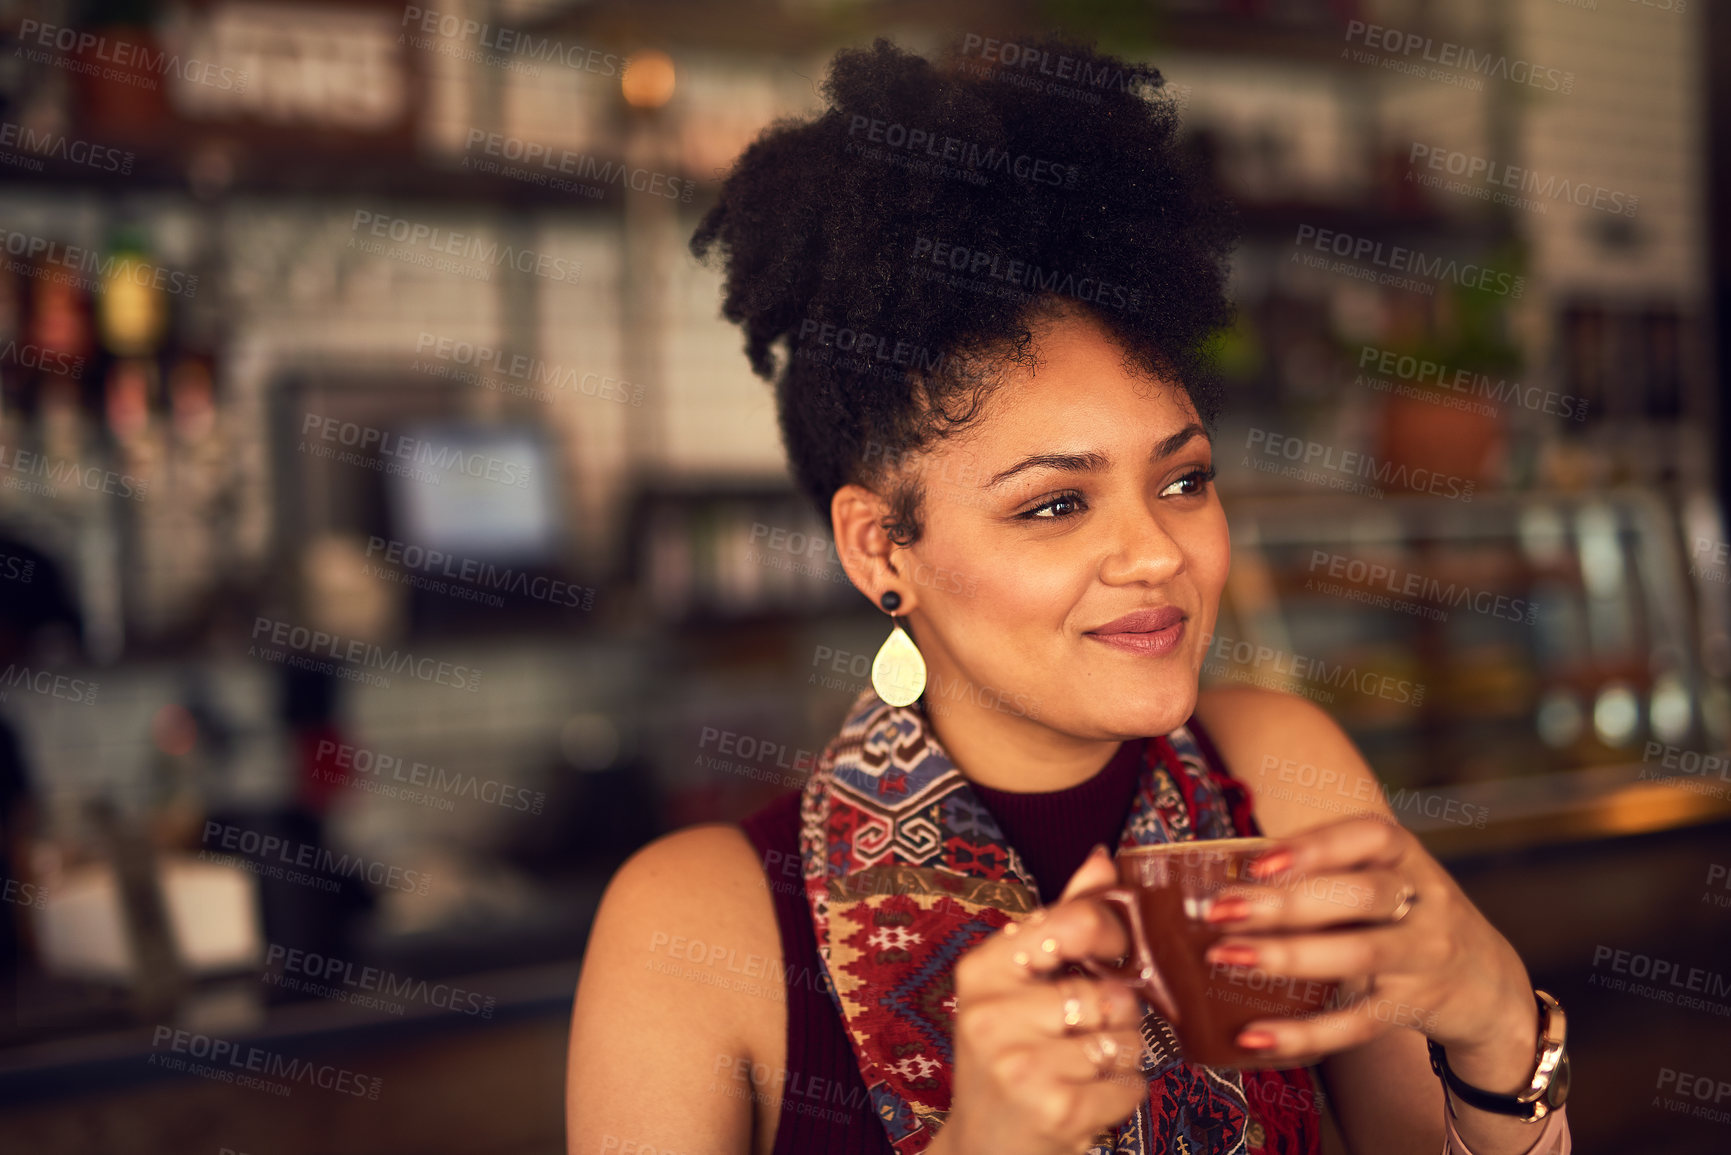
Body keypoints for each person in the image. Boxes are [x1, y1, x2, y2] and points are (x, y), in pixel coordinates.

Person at [566, 35, 1571, 1155]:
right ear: (878, 548)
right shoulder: (694, 926)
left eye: (1184, 480)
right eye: (1054, 505)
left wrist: (1498, 1033)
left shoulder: (1281, 777)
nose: (1157, 555)